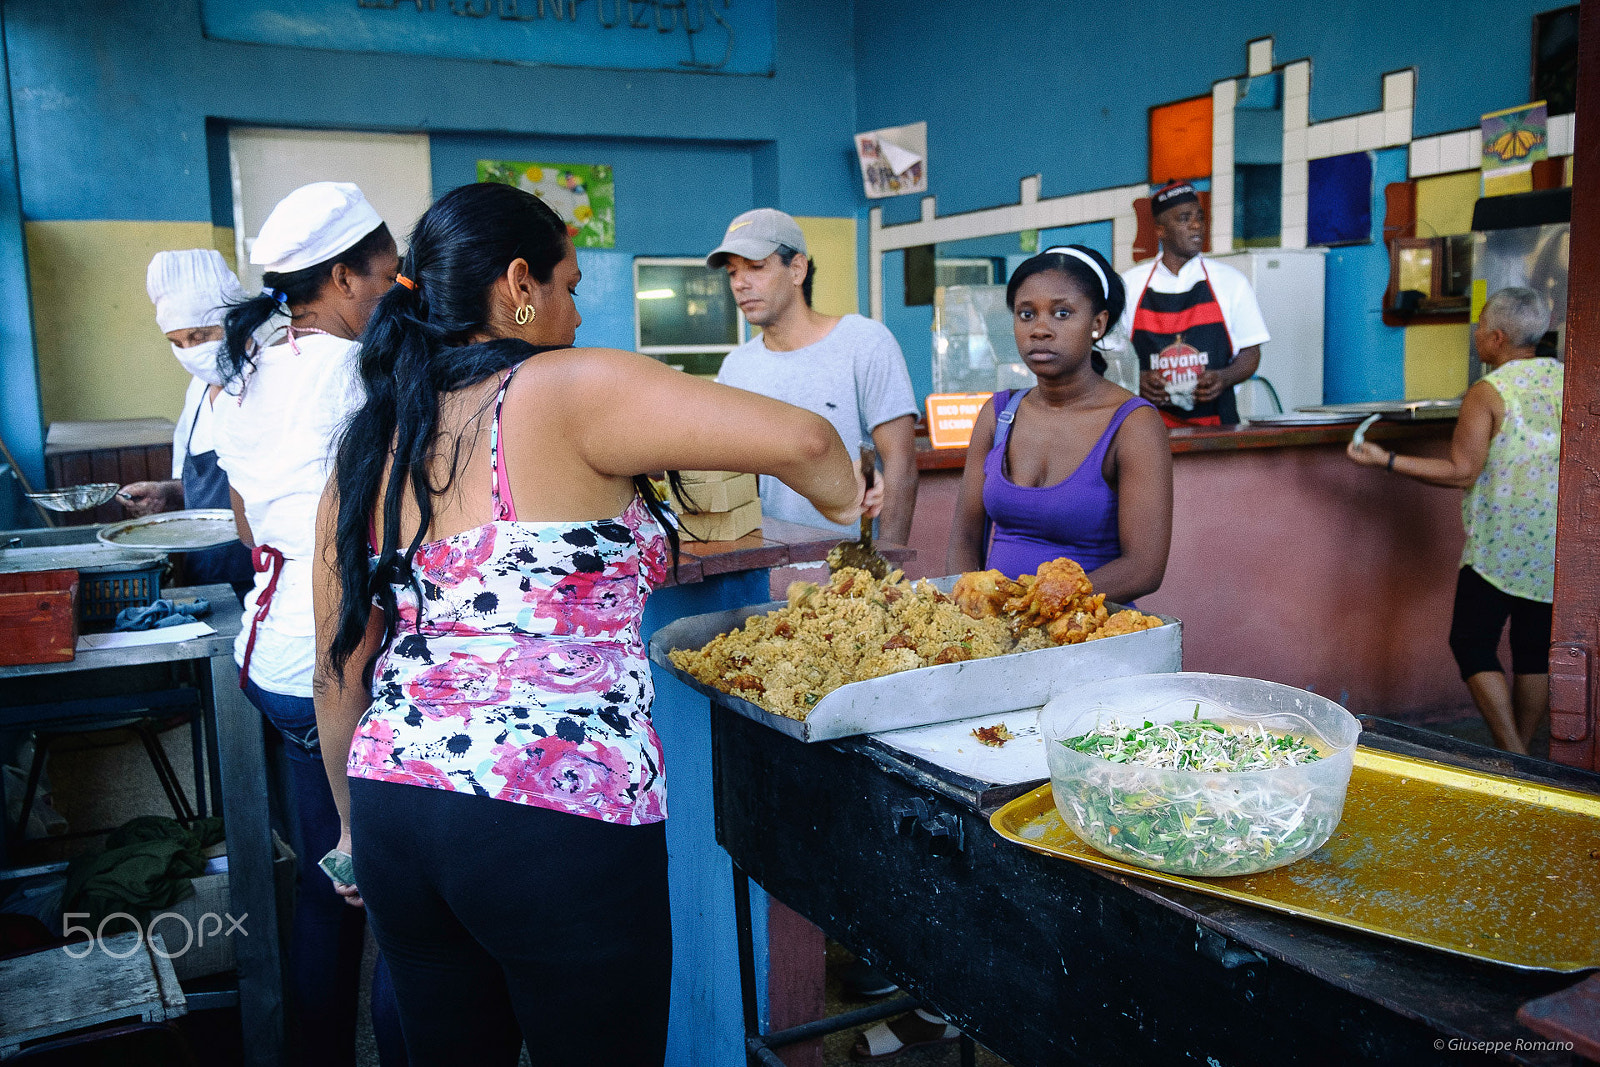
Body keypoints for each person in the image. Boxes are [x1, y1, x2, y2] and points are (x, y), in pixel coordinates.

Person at [311, 181, 878, 1066]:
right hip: (549, 816)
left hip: (394, 808)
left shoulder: (373, 435)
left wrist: (349, 828)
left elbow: (339, 668)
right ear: (518, 283)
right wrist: (854, 497)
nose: (576, 314)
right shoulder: (562, 387)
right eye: (570, 286)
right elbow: (809, 443)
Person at [212, 181, 406, 1067]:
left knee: (328, 887)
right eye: (386, 274)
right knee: (394, 897)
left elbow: (250, 520)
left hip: (269, 655)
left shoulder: (243, 369)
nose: (394, 289)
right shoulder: (357, 377)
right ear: (341, 277)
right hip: (340, 668)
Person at [1348, 287, 1561, 755]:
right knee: (1533, 650)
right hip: (1555, 544)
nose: (1476, 334)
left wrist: (1385, 460)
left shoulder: (1489, 391)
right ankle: (1522, 756)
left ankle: (1512, 753)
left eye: (1480, 326)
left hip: (1499, 547)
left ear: (1499, 337)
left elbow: (1463, 470)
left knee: (1470, 641)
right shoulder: (1569, 379)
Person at [947, 245, 1173, 603]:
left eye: (1062, 313)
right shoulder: (1000, 414)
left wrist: (1036, 606)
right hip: (1000, 635)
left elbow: (1144, 568)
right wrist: (972, 608)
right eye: (1026, 314)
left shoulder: (1133, 424)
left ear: (1097, 324)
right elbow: (964, 538)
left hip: (1087, 635)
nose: (1040, 329)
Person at [709, 208, 920, 544]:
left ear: (797, 269)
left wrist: (888, 559)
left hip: (851, 568)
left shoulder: (864, 342)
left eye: (756, 267)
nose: (740, 283)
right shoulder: (736, 368)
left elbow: (902, 463)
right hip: (767, 565)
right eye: (733, 272)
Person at [117, 250, 255, 593]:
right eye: (177, 343)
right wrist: (166, 493)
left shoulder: (267, 379)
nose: (191, 352)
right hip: (208, 576)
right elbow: (200, 488)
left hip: (264, 575)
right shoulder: (197, 389)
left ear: (233, 321)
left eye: (200, 336)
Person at [1119, 181, 1269, 427]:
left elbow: (1251, 352)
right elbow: (1110, 354)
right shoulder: (1130, 285)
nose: (1197, 225)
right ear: (1160, 230)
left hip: (1219, 430)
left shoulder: (1231, 282)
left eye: (1199, 217)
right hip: (1148, 431)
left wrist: (1224, 377)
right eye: (1184, 218)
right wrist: (1136, 378)